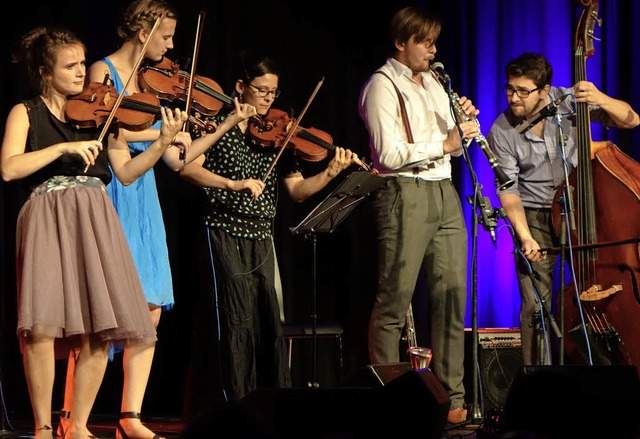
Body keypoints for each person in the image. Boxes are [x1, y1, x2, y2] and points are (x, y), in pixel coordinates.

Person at [0, 27, 187, 439]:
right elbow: (9, 168)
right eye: (70, 66)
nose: (82, 72)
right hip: (48, 217)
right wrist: (61, 149)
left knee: (100, 330)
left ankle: (79, 425)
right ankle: (45, 427)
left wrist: (161, 143)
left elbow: (125, 171)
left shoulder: (100, 115)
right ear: (44, 72)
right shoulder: (26, 112)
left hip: (96, 219)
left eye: (83, 63)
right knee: (42, 329)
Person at [57, 1, 214, 438]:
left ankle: (130, 417)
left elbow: (173, 159)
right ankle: (73, 417)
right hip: (112, 194)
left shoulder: (148, 85)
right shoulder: (101, 72)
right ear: (143, 31)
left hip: (143, 196)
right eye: (165, 36)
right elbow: (105, 126)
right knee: (101, 318)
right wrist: (161, 132)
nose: (170, 45)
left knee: (149, 314)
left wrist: (198, 131)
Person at [178, 51, 361, 417]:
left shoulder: (279, 134)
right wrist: (233, 183)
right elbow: (187, 168)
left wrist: (330, 173)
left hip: (263, 237)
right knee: (234, 321)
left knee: (266, 323)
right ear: (241, 88)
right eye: (261, 91)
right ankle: (233, 410)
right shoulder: (216, 123)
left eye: (273, 93)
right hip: (224, 231)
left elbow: (296, 190)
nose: (267, 99)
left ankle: (271, 409)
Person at [358, 6, 481, 425]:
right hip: (403, 191)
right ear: (401, 42)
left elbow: (454, 136)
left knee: (451, 293)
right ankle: (391, 398)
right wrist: (444, 144)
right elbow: (388, 155)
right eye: (424, 42)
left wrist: (464, 121)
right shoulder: (381, 85)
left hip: (445, 191)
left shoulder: (433, 83)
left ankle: (451, 397)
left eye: (434, 42)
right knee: (395, 297)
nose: (432, 50)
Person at [487, 52, 640, 366]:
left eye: (523, 91)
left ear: (545, 91)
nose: (514, 97)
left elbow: (631, 119)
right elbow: (509, 191)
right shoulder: (501, 131)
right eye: (510, 89)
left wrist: (600, 97)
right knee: (535, 306)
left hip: (579, 211)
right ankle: (537, 381)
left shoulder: (570, 102)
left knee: (602, 290)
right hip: (534, 214)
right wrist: (525, 236)